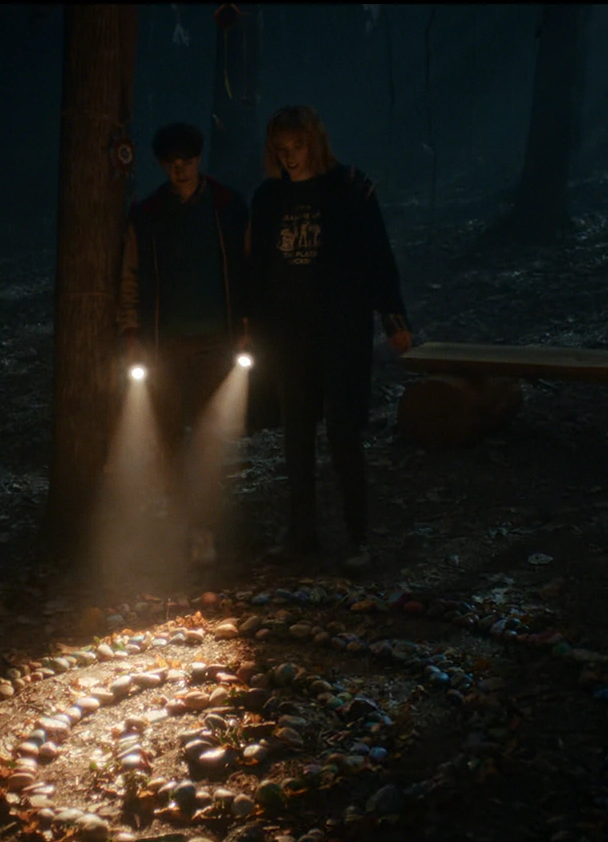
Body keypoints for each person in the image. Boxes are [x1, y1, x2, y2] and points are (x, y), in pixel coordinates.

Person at [246, 105, 413, 573]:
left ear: (314, 143)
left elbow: (377, 253)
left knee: (343, 434)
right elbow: (257, 267)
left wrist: (393, 317)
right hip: (289, 336)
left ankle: (358, 537)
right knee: (296, 437)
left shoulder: (350, 187)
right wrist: (251, 327)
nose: (290, 156)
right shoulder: (269, 198)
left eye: (297, 147)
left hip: (341, 332)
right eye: (281, 148)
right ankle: (302, 533)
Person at [118, 122, 251, 567]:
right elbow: (131, 275)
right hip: (167, 342)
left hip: (216, 338)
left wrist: (246, 323)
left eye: (187, 161)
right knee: (172, 438)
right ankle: (187, 527)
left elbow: (246, 267)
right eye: (171, 163)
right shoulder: (149, 214)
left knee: (210, 436)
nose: (180, 170)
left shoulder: (228, 206)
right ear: (162, 165)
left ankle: (206, 527)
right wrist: (132, 332)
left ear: (198, 159)